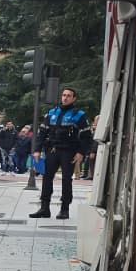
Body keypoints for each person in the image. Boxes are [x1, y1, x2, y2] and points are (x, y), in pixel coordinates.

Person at [31, 86, 94, 220]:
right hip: (52, 150)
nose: (65, 98)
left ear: (74, 98)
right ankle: (44, 208)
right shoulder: (52, 112)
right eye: (63, 95)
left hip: (69, 151)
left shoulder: (79, 115)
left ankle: (64, 209)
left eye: (68, 96)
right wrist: (37, 150)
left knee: (66, 180)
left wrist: (81, 153)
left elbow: (87, 136)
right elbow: (42, 132)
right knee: (47, 178)